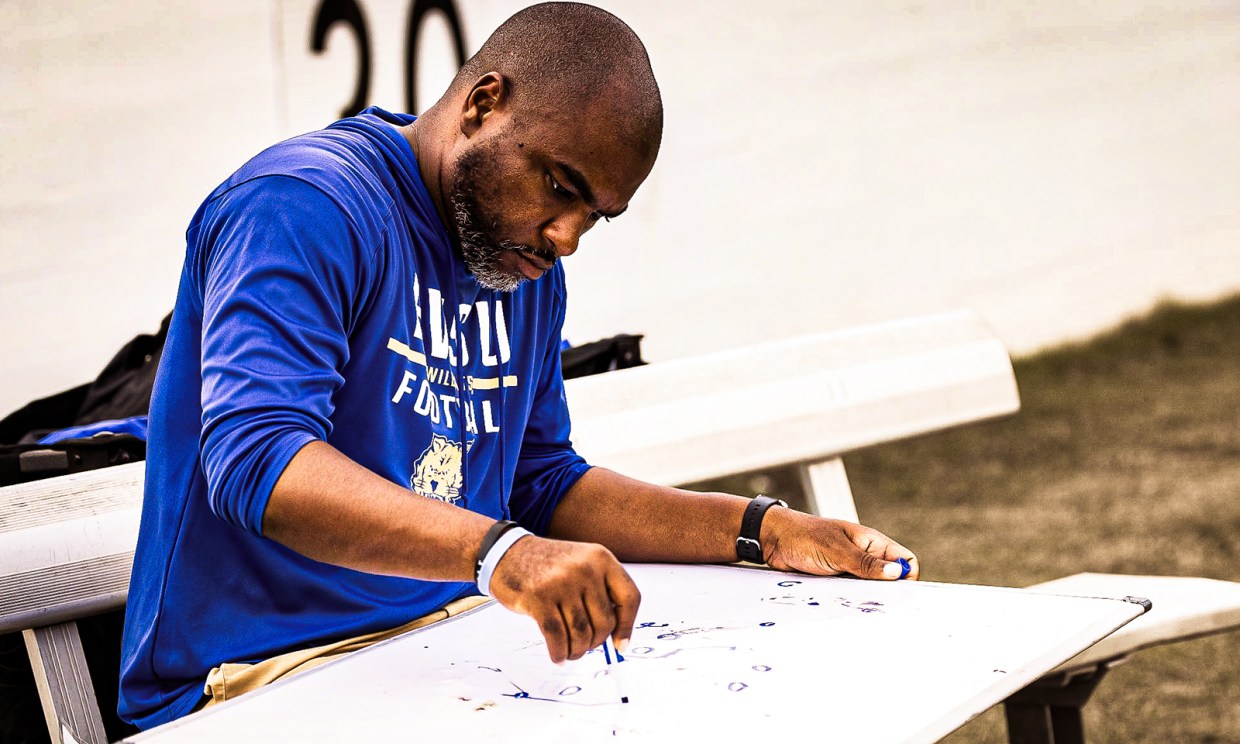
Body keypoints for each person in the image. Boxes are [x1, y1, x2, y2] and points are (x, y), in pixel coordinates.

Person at [118, 1, 919, 729]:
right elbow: (258, 461)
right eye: (561, 187)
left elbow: (540, 481)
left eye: (595, 216)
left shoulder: (521, 269)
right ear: (482, 104)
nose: (567, 238)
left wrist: (762, 531)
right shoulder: (303, 204)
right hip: (256, 680)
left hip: (442, 653)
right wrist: (503, 553)